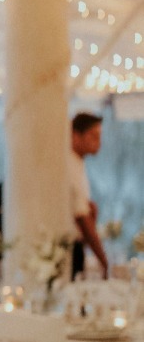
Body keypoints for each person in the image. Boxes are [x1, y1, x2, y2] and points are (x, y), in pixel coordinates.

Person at [69, 111, 108, 280]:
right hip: (70, 249)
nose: (98, 143)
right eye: (93, 136)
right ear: (75, 136)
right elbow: (82, 218)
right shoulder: (70, 165)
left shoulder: (78, 163)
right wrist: (104, 260)